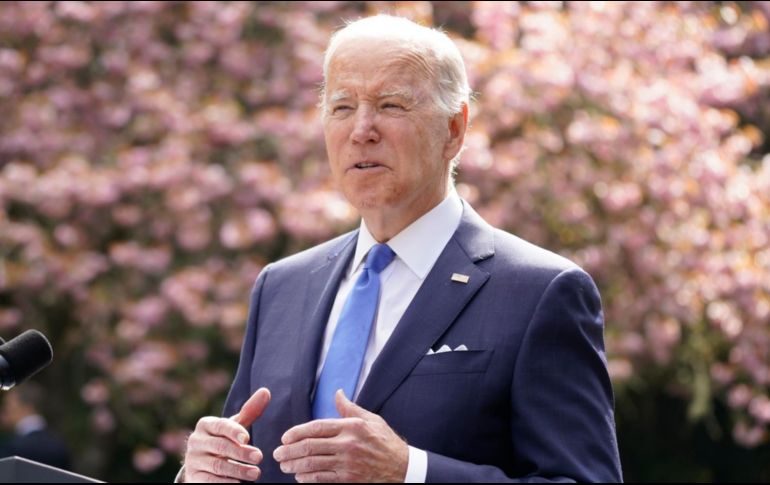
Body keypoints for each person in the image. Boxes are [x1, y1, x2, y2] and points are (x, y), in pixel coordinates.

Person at [180, 14, 622, 483]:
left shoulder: (541, 292)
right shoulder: (281, 286)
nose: (362, 130)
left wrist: (409, 472)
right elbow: (241, 463)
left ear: (454, 130)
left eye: (390, 105)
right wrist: (200, 473)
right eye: (342, 107)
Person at [0, 383, 71, 470]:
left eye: (7, 405)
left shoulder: (14, 448)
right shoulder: (60, 446)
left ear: (26, 408)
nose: (3, 411)